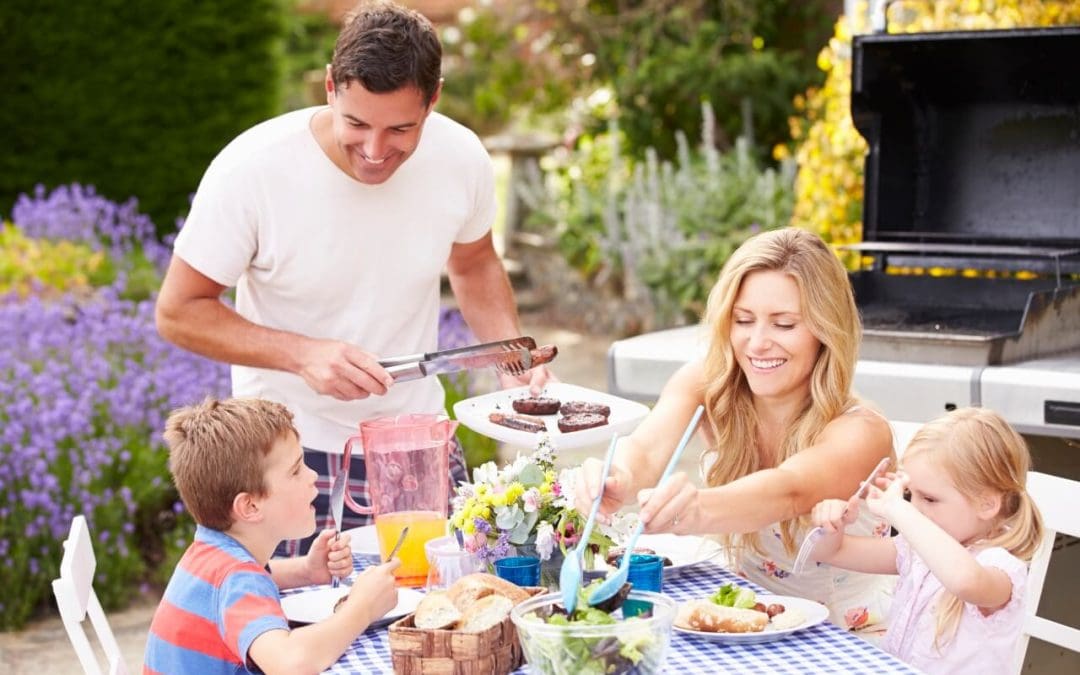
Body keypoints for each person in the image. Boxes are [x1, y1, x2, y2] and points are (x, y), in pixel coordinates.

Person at [154, 0, 548, 555]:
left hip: (416, 442)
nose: (375, 150)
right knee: (300, 634)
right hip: (283, 458)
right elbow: (178, 311)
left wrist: (510, 359)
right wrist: (302, 354)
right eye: (357, 123)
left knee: (441, 622)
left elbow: (475, 260)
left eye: (400, 129)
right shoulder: (253, 170)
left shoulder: (462, 158)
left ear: (433, 99)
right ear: (330, 87)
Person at [574, 226, 896, 636]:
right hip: (745, 624)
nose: (757, 343)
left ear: (826, 331)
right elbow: (647, 449)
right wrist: (613, 477)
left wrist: (696, 511)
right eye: (743, 320)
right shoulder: (710, 384)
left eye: (784, 324)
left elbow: (788, 490)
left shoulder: (862, 431)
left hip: (849, 640)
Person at [144, 397, 401, 675]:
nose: (312, 475)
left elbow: (244, 583)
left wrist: (306, 571)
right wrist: (362, 607)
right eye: (295, 470)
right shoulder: (238, 578)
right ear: (250, 506)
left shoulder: (213, 552)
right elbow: (290, 664)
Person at [810, 407, 1044, 674]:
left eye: (930, 499)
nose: (916, 508)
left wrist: (900, 510)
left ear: (986, 504)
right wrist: (832, 525)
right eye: (911, 495)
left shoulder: (1001, 568)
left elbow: (965, 581)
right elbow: (834, 553)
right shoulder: (916, 551)